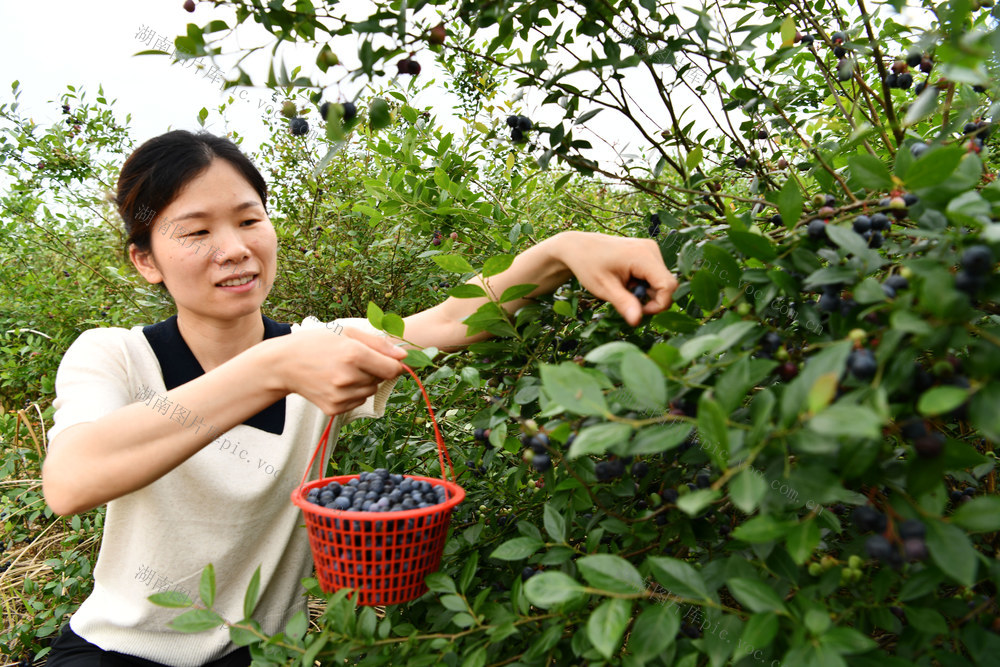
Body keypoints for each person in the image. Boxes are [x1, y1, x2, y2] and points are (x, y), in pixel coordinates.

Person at [40, 129, 678, 666]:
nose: (234, 248)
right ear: (146, 260)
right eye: (195, 231)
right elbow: (71, 481)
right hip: (117, 652)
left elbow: (452, 320)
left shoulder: (319, 347)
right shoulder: (116, 355)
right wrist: (274, 369)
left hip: (262, 654)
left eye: (249, 219)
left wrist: (561, 251)